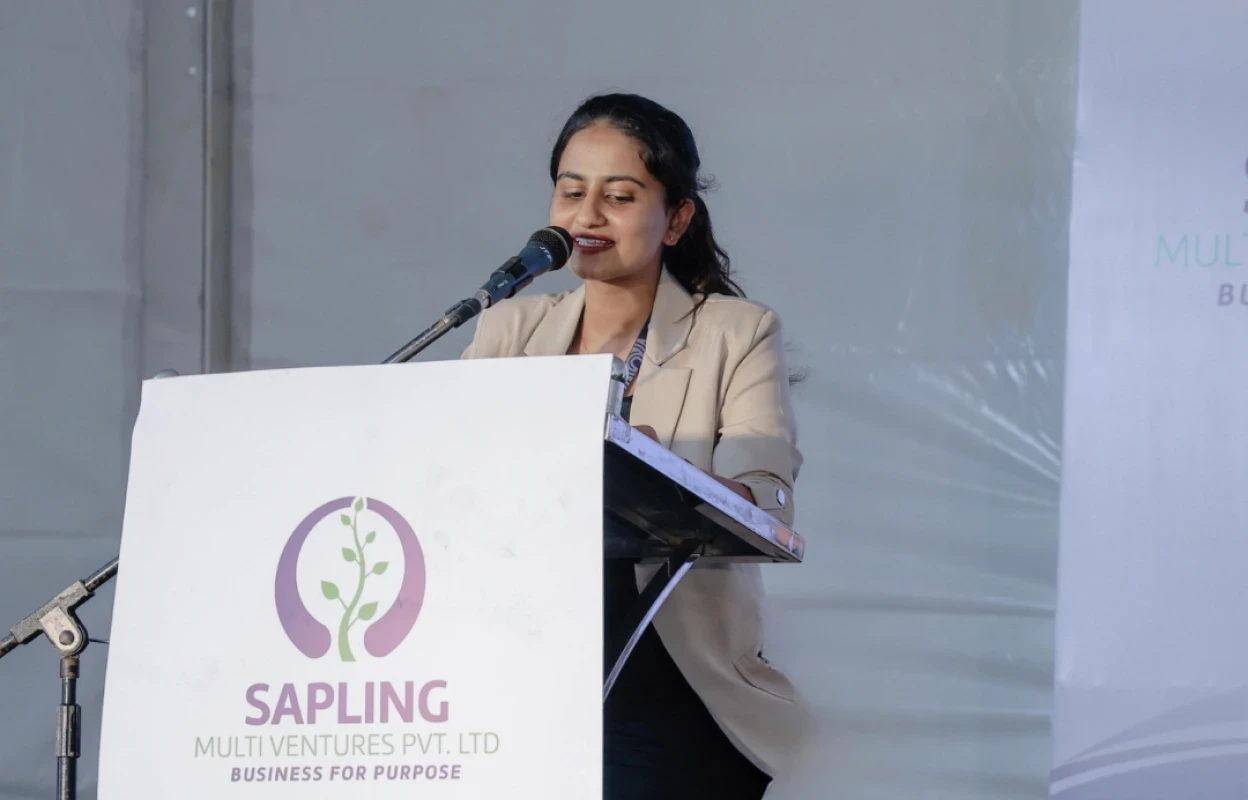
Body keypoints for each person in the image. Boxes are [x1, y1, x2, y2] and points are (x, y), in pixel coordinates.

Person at [461, 92, 811, 799]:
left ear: (675, 218)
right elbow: (455, 479)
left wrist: (658, 471)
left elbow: (765, 497)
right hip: (516, 676)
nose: (587, 216)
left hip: (667, 681)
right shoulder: (507, 331)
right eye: (571, 192)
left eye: (619, 196)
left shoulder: (736, 334)